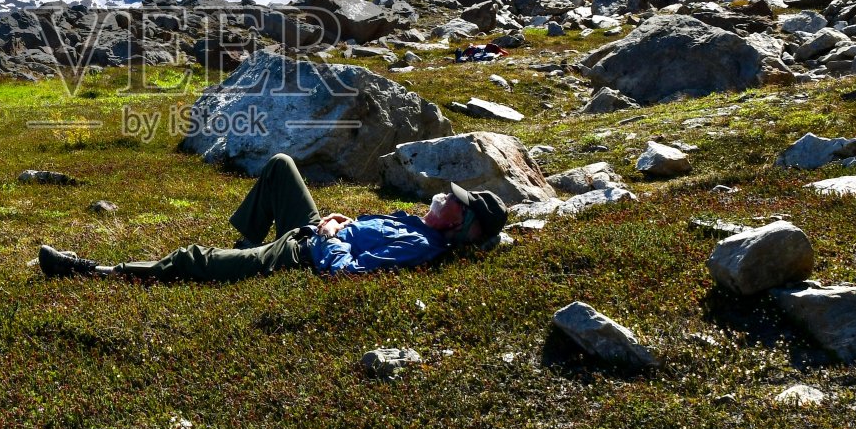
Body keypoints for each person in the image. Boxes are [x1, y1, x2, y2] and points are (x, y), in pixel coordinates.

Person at [36, 152, 508, 282]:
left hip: (301, 253)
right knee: (281, 165)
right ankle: (245, 249)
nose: (444, 197)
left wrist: (328, 235)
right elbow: (364, 237)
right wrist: (342, 222)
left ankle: (94, 272)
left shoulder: (421, 246)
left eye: (453, 201)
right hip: (314, 232)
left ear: (458, 224)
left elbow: (345, 271)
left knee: (189, 259)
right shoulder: (420, 224)